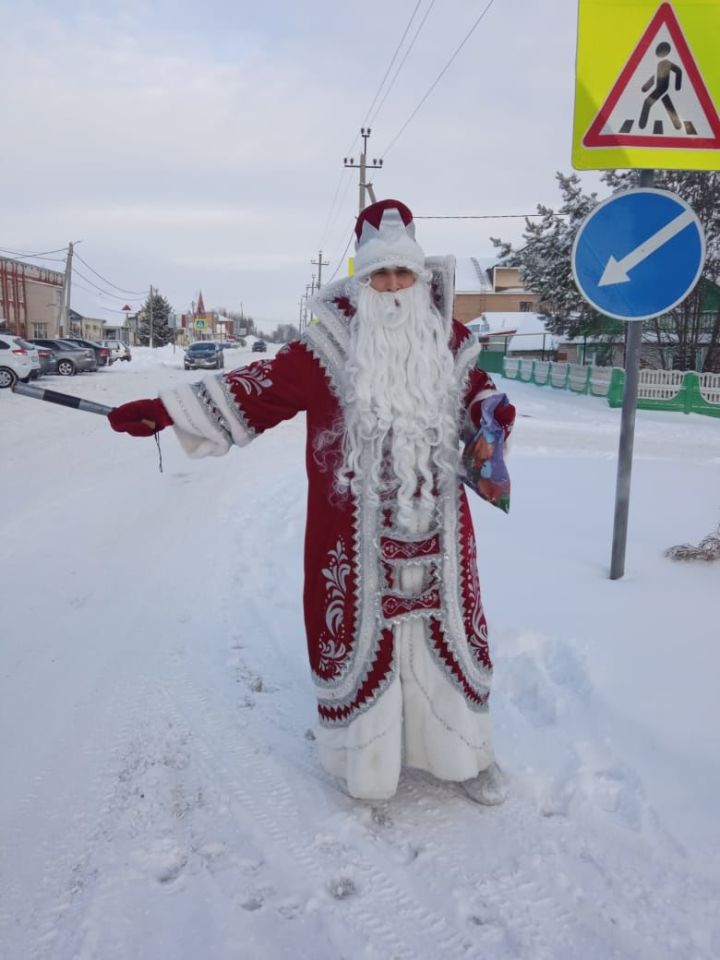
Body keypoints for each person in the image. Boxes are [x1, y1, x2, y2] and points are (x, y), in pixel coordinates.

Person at [109, 199, 515, 804]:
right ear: (364, 280)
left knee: (451, 641)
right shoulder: (326, 348)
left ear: (419, 274)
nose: (394, 287)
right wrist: (168, 412)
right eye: (381, 275)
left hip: (440, 535)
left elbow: (480, 395)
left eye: (403, 273)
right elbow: (259, 388)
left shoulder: (448, 339)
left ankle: (466, 754)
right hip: (352, 540)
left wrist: (491, 412)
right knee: (362, 646)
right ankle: (366, 766)